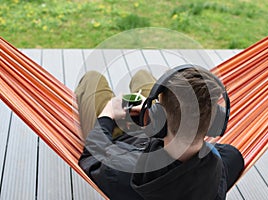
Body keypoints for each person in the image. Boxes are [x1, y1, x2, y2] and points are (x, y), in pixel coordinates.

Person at [76, 67, 244, 200]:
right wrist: (151, 113)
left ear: (157, 120)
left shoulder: (121, 172)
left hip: (116, 137)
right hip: (159, 131)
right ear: (215, 124)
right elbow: (229, 152)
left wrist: (108, 114)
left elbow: (92, 154)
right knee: (142, 76)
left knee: (93, 79)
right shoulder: (222, 167)